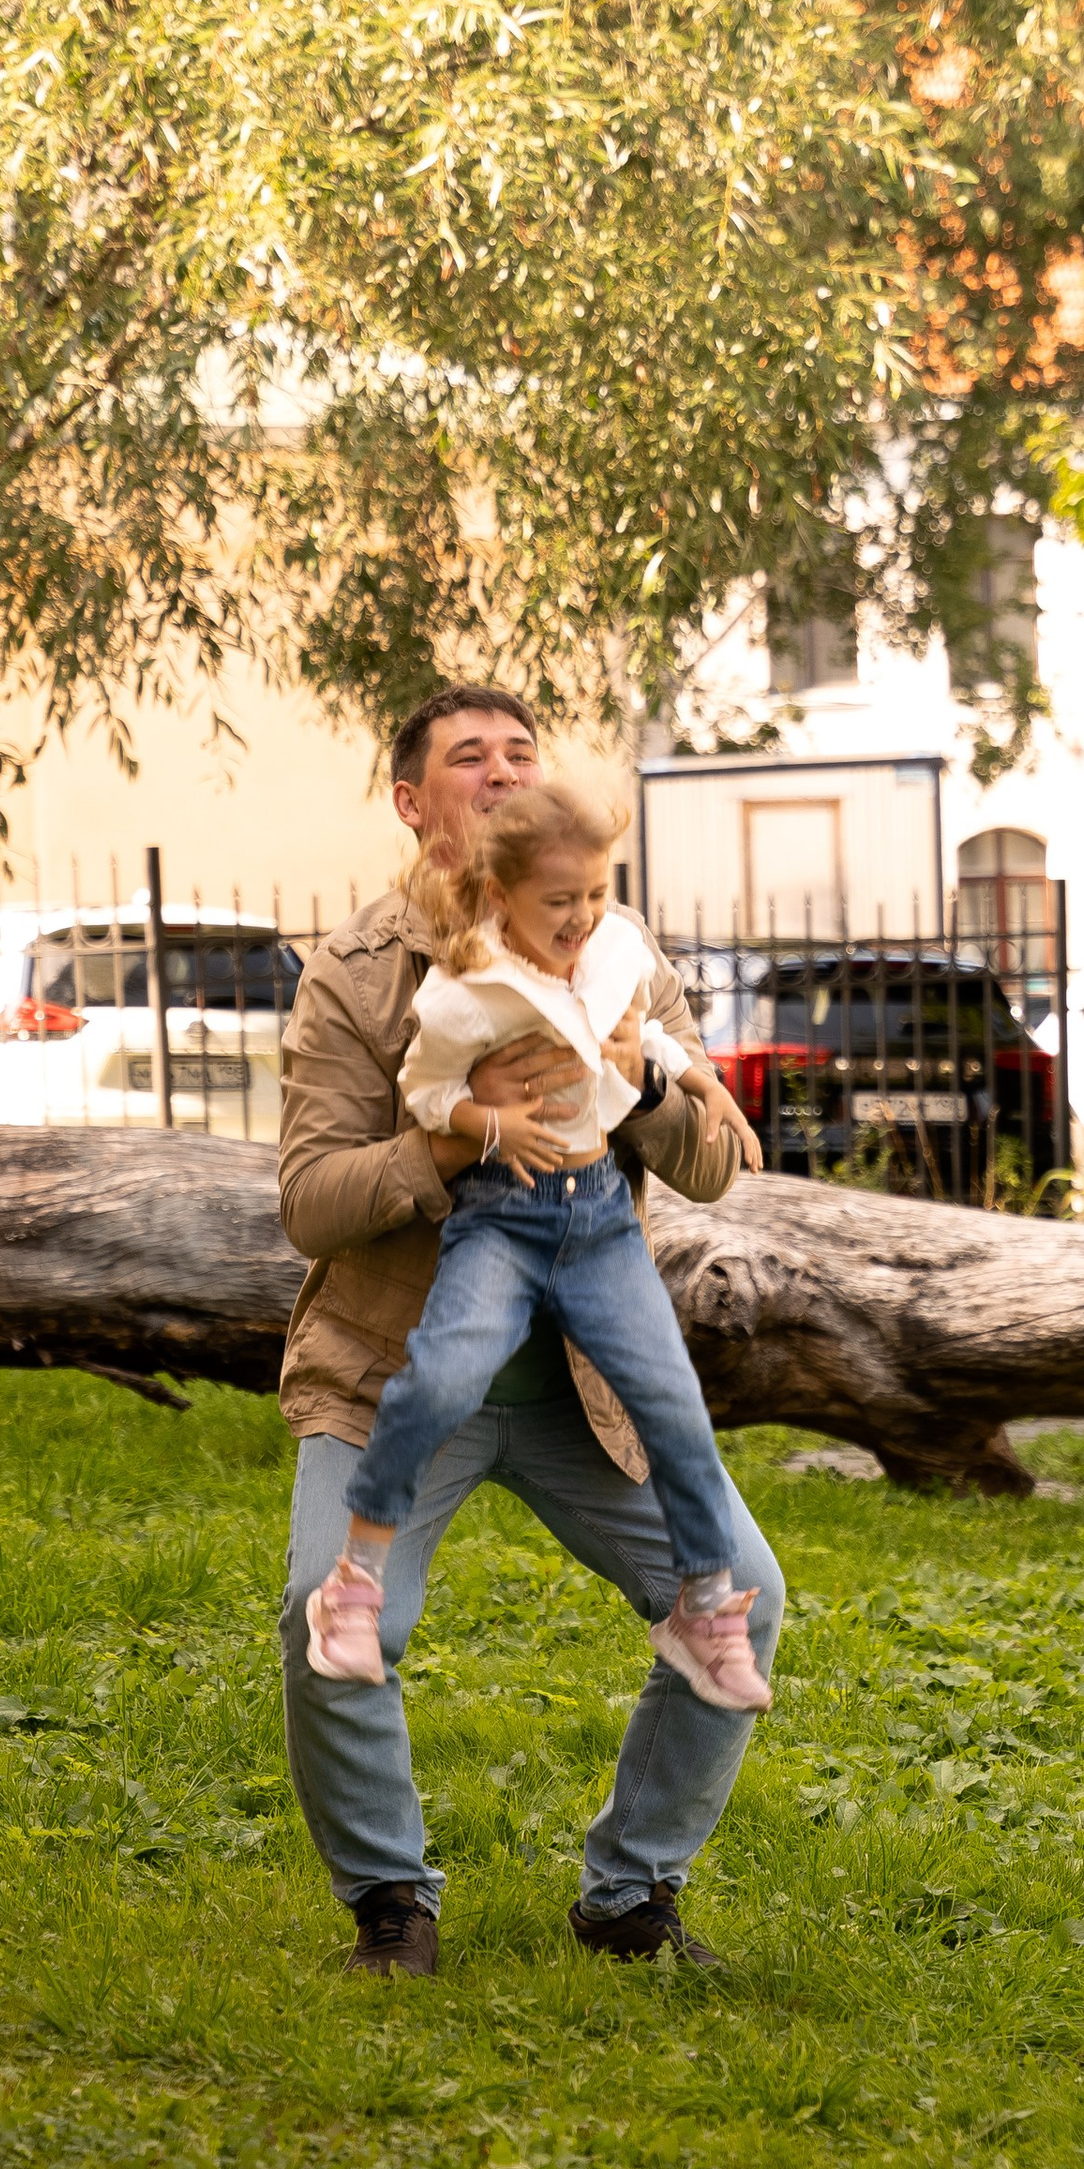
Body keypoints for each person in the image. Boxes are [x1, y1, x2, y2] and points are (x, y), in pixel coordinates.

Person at [275, 683, 777, 1976]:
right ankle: (393, 1909)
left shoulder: (610, 940)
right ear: (413, 805)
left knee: (743, 1597)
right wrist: (456, 1131)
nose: (501, 775)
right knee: (333, 1621)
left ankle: (631, 1900)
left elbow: (715, 1168)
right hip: (397, 1375)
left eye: (521, 753)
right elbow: (311, 1204)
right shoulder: (358, 974)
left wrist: (642, 1083)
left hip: (576, 1381)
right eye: (467, 759)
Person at [303, 772, 774, 1716]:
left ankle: (708, 1609)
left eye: (596, 894)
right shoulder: (465, 994)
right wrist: (486, 1124)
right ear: (498, 896)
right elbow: (427, 1091)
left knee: (673, 1400)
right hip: (505, 1216)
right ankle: (354, 1580)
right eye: (561, 902)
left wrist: (698, 1084)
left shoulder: (616, 944)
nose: (583, 917)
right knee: (438, 1379)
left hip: (598, 1221)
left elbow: (650, 1027)